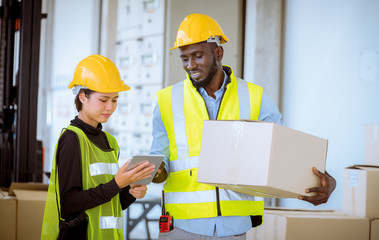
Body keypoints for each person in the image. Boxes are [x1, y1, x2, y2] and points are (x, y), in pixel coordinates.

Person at [150, 13, 336, 239]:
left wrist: (323, 180)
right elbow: (159, 158)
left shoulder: (254, 96)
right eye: (184, 58)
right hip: (182, 227)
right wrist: (155, 171)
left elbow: (286, 149)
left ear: (218, 53)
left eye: (198, 56)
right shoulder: (167, 100)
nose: (190, 65)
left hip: (234, 228)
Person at [41, 54, 156, 240]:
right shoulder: (72, 139)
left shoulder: (110, 142)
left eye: (115, 100)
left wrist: (130, 192)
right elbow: (68, 203)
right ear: (83, 97)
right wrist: (117, 184)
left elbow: (109, 203)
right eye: (103, 100)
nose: (110, 107)